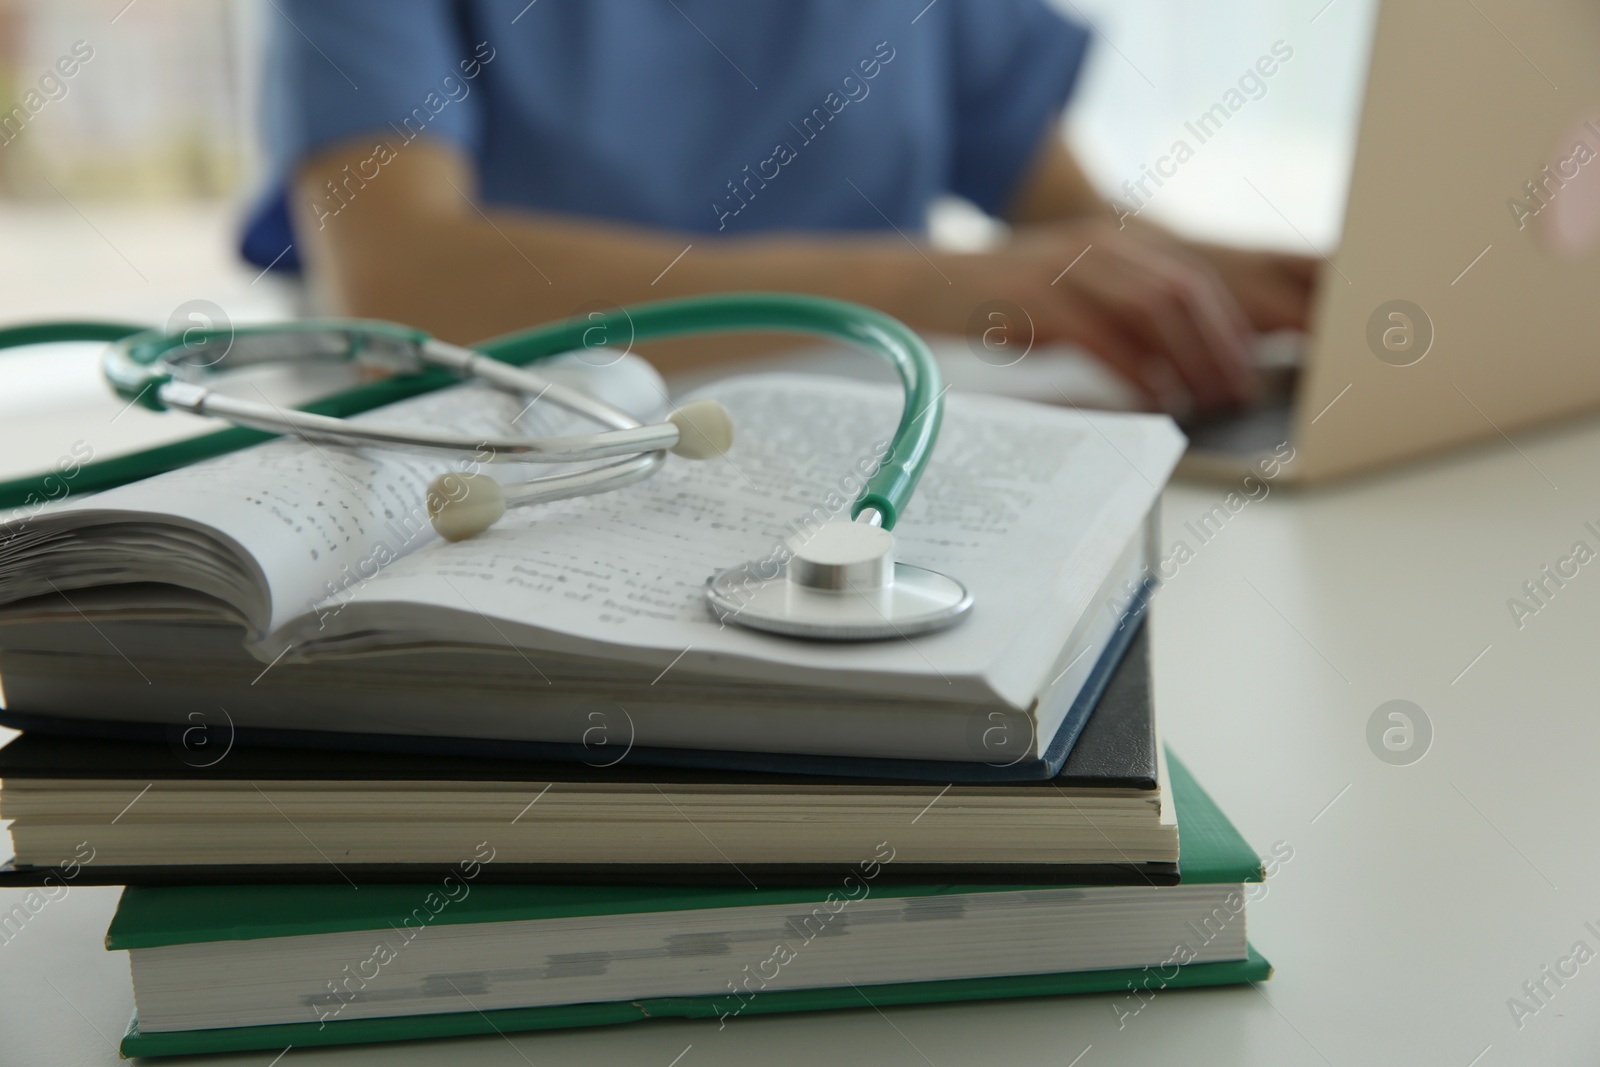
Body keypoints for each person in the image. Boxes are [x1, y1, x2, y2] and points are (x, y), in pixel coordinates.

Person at [246, 0, 1316, 414]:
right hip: (514, 464)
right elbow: (398, 277)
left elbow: (1069, 227)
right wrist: (924, 284)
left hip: (868, 447)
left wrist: (1303, 281)